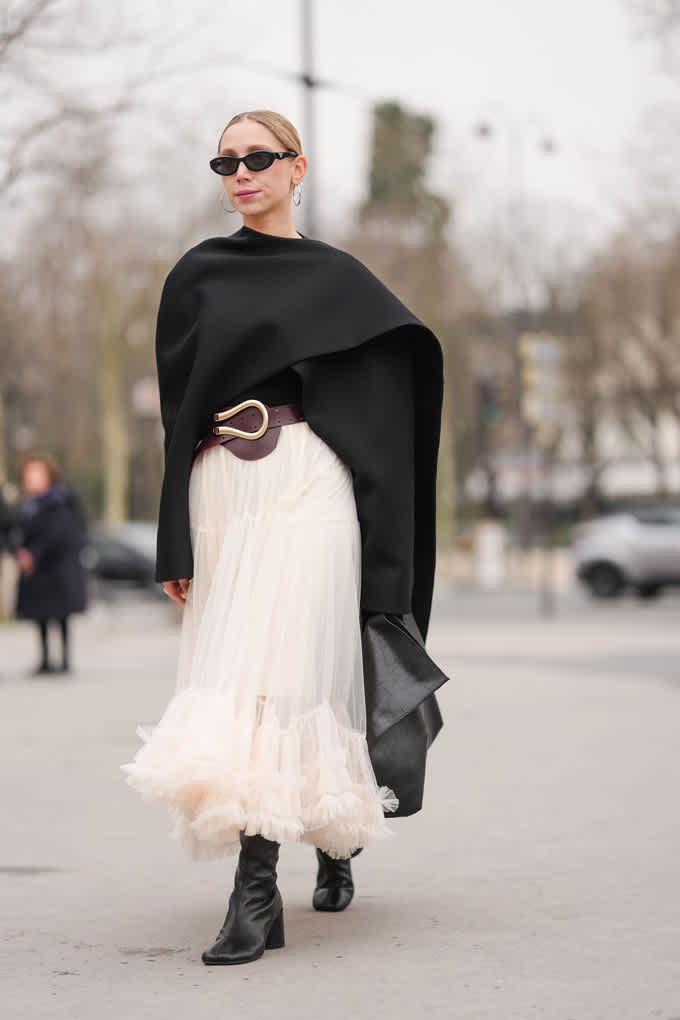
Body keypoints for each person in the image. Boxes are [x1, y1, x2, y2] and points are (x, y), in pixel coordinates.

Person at [121, 109, 447, 966]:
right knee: (255, 675)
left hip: (306, 484)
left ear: (298, 168)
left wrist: (389, 547)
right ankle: (335, 837)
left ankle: (254, 890)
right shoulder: (197, 277)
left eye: (259, 157)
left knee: (280, 672)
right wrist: (173, 540)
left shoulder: (341, 282)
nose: (241, 172)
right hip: (221, 490)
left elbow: (383, 406)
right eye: (226, 161)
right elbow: (177, 416)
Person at [15, 453, 87, 674]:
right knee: (40, 615)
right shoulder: (28, 506)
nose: (32, 479)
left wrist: (35, 554)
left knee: (60, 613)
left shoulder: (60, 500)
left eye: (37, 474)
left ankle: (64, 659)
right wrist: (21, 552)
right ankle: (45, 658)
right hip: (36, 570)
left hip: (58, 567)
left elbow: (60, 534)